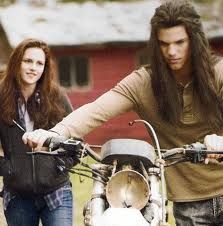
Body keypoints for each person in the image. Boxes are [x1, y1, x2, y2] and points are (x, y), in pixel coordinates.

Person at [23, 1, 223, 225]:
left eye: (180, 42)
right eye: (164, 44)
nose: (172, 51)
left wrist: (219, 140)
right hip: (190, 202)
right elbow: (96, 110)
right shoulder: (144, 83)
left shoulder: (218, 74)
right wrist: (53, 132)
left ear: (194, 41)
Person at [0, 38, 74, 226]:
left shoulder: (57, 97)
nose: (33, 67)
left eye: (39, 63)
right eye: (28, 61)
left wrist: (59, 165)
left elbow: (76, 140)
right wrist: (8, 168)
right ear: (17, 62)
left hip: (57, 193)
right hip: (18, 198)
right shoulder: (1, 98)